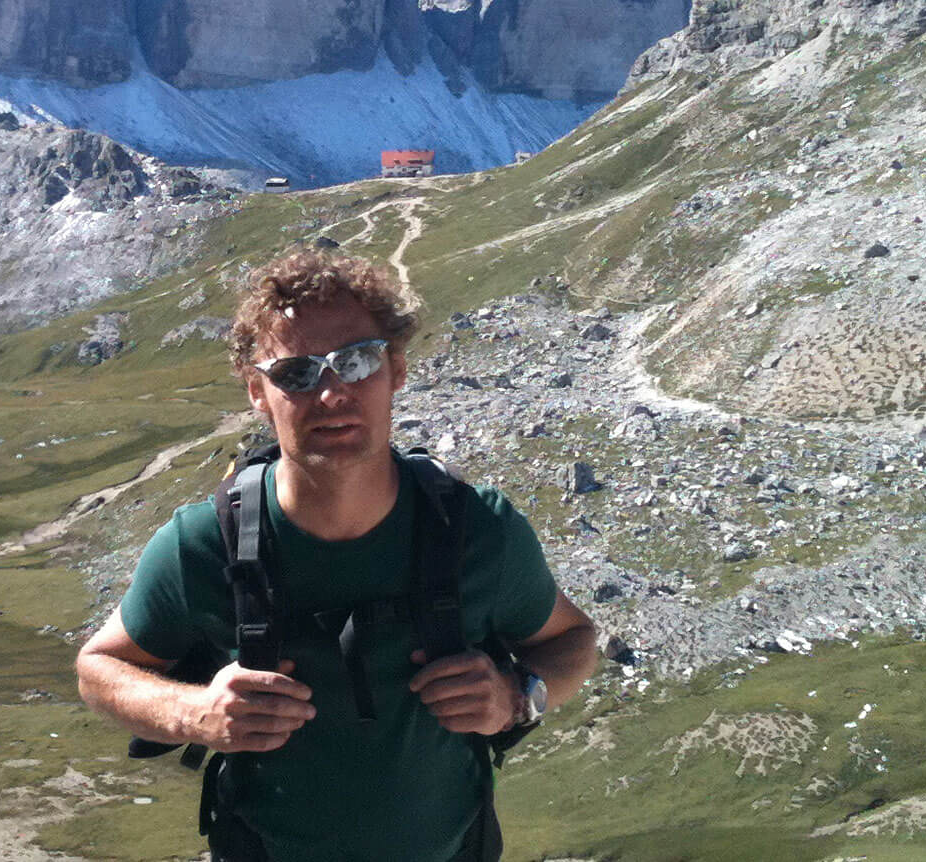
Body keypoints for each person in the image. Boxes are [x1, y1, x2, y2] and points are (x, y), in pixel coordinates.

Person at [76, 249, 598, 861]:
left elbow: (573, 640)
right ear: (257, 391)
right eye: (296, 373)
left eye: (357, 361)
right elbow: (98, 669)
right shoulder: (203, 544)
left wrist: (516, 697)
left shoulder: (477, 529)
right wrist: (195, 713)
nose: (331, 394)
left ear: (395, 369)